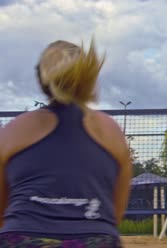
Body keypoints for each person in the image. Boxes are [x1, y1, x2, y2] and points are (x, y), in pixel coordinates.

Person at [0, 39, 132, 247]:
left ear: (42, 81)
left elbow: (1, 211)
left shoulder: (13, 131)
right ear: (87, 78)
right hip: (95, 238)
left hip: (22, 237)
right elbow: (115, 213)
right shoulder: (110, 131)